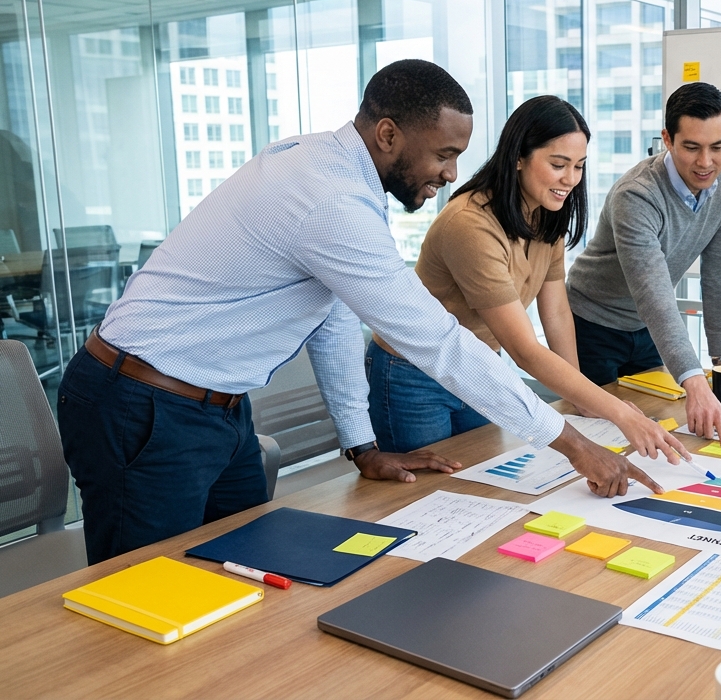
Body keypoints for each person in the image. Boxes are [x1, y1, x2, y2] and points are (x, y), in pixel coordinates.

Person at [58, 60, 663, 565]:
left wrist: (361, 444)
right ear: (389, 135)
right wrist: (576, 446)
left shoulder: (331, 171)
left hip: (216, 410)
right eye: (444, 155)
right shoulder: (331, 199)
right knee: (144, 601)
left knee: (239, 571)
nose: (451, 174)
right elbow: (439, 343)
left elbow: (333, 317)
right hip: (140, 405)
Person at [367, 94, 687, 459]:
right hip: (414, 372)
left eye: (579, 166)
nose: (570, 179)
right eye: (558, 164)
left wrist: (581, 397)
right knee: (424, 495)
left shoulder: (546, 215)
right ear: (519, 156)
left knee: (478, 480)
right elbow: (523, 350)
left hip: (476, 365)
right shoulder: (469, 224)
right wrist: (614, 410)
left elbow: (556, 313)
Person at [566, 82, 721, 444]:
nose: (705, 162)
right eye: (691, 147)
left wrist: (720, 357)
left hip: (647, 332)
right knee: (603, 437)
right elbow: (655, 294)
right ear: (668, 138)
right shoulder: (637, 194)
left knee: (658, 426)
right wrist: (693, 380)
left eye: (717, 147)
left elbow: (718, 272)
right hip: (593, 325)